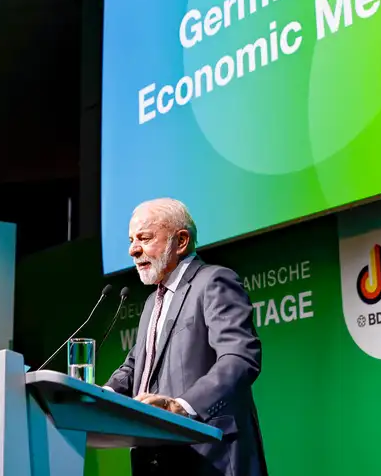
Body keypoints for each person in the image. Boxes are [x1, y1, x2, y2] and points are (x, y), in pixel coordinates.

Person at [105, 198, 266, 476]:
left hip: (209, 456)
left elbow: (239, 358)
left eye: (144, 238)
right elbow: (134, 365)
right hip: (156, 457)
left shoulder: (213, 281)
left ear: (180, 241)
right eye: (131, 240)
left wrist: (181, 406)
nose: (133, 250)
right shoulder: (151, 303)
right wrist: (102, 395)